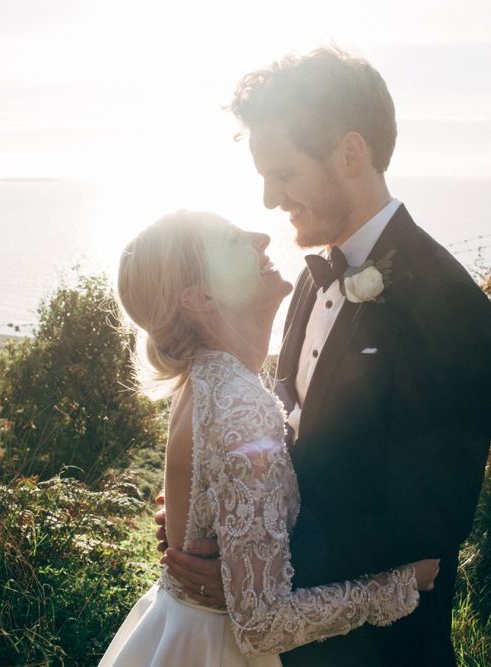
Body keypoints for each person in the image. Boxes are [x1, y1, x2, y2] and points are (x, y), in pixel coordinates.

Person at [158, 47, 491, 666]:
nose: (267, 199)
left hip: (384, 650)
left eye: (283, 173)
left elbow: (429, 519)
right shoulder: (311, 277)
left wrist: (252, 569)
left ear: (349, 154)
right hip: (295, 643)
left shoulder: (453, 307)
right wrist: (220, 516)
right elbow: (294, 434)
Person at [99, 210, 439, 666]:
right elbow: (262, 624)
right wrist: (400, 585)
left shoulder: (209, 380)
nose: (261, 237)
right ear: (199, 297)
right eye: (231, 240)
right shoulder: (239, 405)